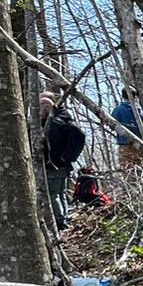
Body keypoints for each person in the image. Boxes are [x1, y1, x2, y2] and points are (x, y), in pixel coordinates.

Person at [40, 89, 85, 229]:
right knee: (61, 193)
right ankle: (63, 218)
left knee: (54, 194)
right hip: (62, 163)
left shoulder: (54, 123)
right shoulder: (64, 117)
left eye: (41, 105)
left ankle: (60, 221)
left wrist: (62, 156)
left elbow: (53, 144)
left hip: (53, 164)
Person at [110, 88, 143, 169]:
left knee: (127, 170)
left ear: (123, 96)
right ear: (135, 96)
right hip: (141, 145)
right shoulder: (141, 110)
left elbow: (111, 125)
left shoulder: (118, 110)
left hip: (125, 145)